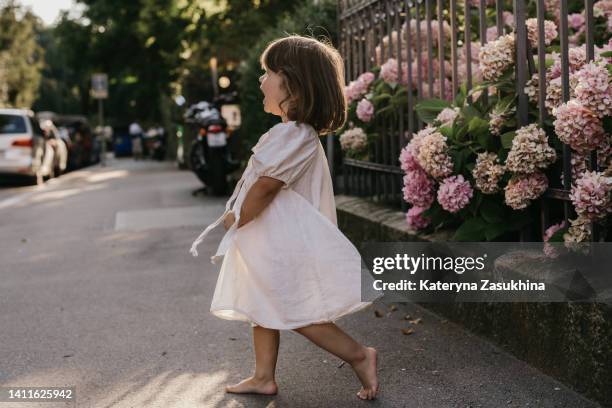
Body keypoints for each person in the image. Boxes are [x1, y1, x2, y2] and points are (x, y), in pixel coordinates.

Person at [189, 35, 382, 401]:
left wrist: (237, 219)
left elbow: (264, 188)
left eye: (268, 73)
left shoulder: (295, 135)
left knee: (299, 311)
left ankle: (360, 355)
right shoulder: (289, 134)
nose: (261, 81)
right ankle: (263, 377)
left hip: (285, 242)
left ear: (293, 83)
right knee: (261, 306)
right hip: (272, 238)